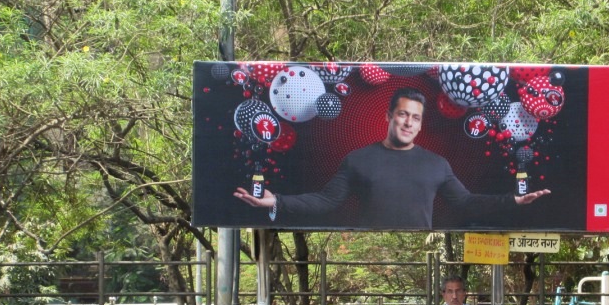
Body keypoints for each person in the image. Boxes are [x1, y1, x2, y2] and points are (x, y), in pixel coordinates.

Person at [233, 88, 551, 229]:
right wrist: (276, 202)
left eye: (416, 118)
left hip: (420, 256)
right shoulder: (358, 159)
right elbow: (325, 202)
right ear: (389, 116)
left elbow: (467, 203)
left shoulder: (437, 164)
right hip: (372, 256)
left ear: (421, 123)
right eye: (403, 115)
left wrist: (513, 201)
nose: (409, 123)